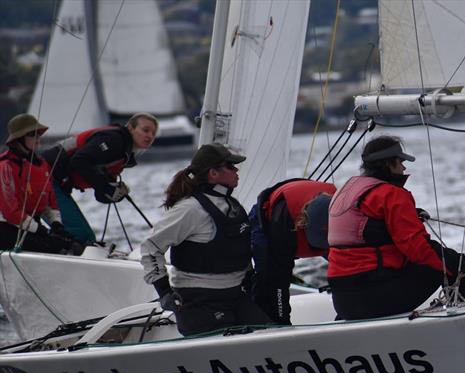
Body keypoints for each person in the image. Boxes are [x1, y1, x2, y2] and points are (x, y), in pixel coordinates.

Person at [326, 135, 465, 320]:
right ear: (388, 164)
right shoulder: (391, 194)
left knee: (443, 261)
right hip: (372, 298)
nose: (403, 167)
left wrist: (410, 214)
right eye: (400, 161)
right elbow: (419, 250)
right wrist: (463, 265)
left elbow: (370, 228)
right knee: (449, 264)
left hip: (342, 301)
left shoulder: (345, 191)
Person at [140, 143, 269, 336]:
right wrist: (164, 291)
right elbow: (150, 247)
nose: (236, 170)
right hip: (199, 301)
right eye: (230, 166)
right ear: (213, 173)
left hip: (234, 295)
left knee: (268, 334)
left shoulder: (232, 205)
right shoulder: (190, 209)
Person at [42, 112, 159, 243]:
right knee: (81, 235)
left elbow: (100, 194)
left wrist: (116, 193)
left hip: (56, 183)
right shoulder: (114, 140)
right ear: (131, 128)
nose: (150, 136)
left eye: (153, 133)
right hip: (44, 178)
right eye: (145, 130)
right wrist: (107, 188)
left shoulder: (122, 155)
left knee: (82, 236)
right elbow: (79, 160)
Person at [251, 178, 336, 324]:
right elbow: (279, 280)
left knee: (346, 265)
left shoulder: (343, 211)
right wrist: (283, 320)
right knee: (268, 277)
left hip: (325, 219)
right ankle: (264, 320)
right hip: (267, 221)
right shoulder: (283, 225)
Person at [1, 114, 79, 254]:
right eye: (33, 134)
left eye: (39, 134)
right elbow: (11, 213)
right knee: (56, 247)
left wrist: (56, 225)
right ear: (19, 139)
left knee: (71, 244)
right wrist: (42, 231)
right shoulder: (5, 167)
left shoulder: (42, 165)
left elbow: (49, 201)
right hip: (6, 228)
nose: (38, 138)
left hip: (30, 227)